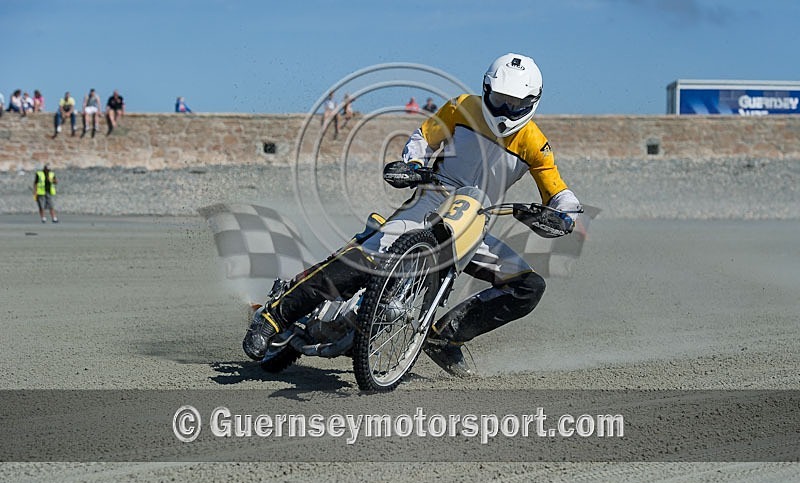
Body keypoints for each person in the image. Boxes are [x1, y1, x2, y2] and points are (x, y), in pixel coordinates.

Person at [243, 53, 582, 377]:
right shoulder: (462, 107)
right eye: (500, 100)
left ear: (533, 101)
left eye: (516, 104)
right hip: (433, 198)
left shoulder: (535, 144)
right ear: (487, 90)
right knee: (370, 257)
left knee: (528, 286)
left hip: (475, 223)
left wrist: (564, 213)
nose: (506, 111)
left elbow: (558, 191)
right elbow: (424, 137)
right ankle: (275, 316)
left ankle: (444, 336)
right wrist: (413, 164)